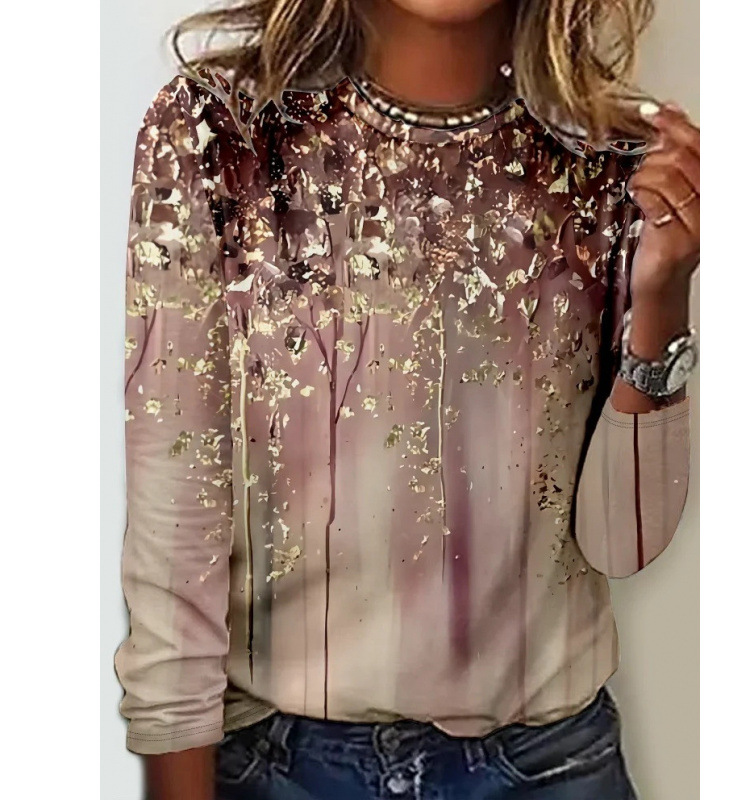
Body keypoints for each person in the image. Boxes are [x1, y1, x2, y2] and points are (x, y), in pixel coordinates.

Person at [115, 0, 699, 798]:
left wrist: (663, 298)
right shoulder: (222, 133)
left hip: (548, 763)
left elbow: (623, 546)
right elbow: (175, 505)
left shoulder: (616, 159)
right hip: (281, 767)